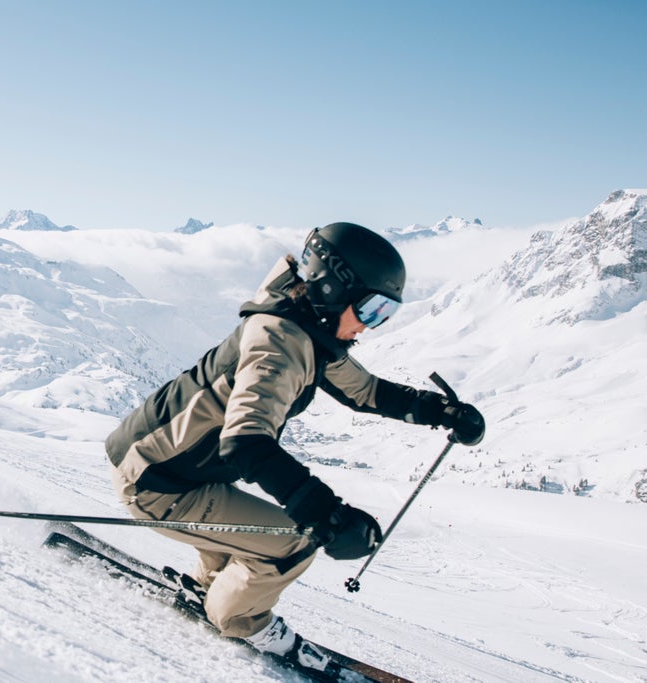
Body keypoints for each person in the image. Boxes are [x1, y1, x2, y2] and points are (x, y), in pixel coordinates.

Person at [105, 222, 485, 669]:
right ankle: (238, 619)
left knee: (251, 537)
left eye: (385, 314)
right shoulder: (278, 343)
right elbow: (246, 442)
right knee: (291, 543)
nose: (372, 325)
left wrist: (440, 411)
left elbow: (365, 392)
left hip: (170, 467)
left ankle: (212, 588)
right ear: (332, 289)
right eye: (371, 309)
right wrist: (326, 514)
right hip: (156, 481)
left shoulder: (307, 329)